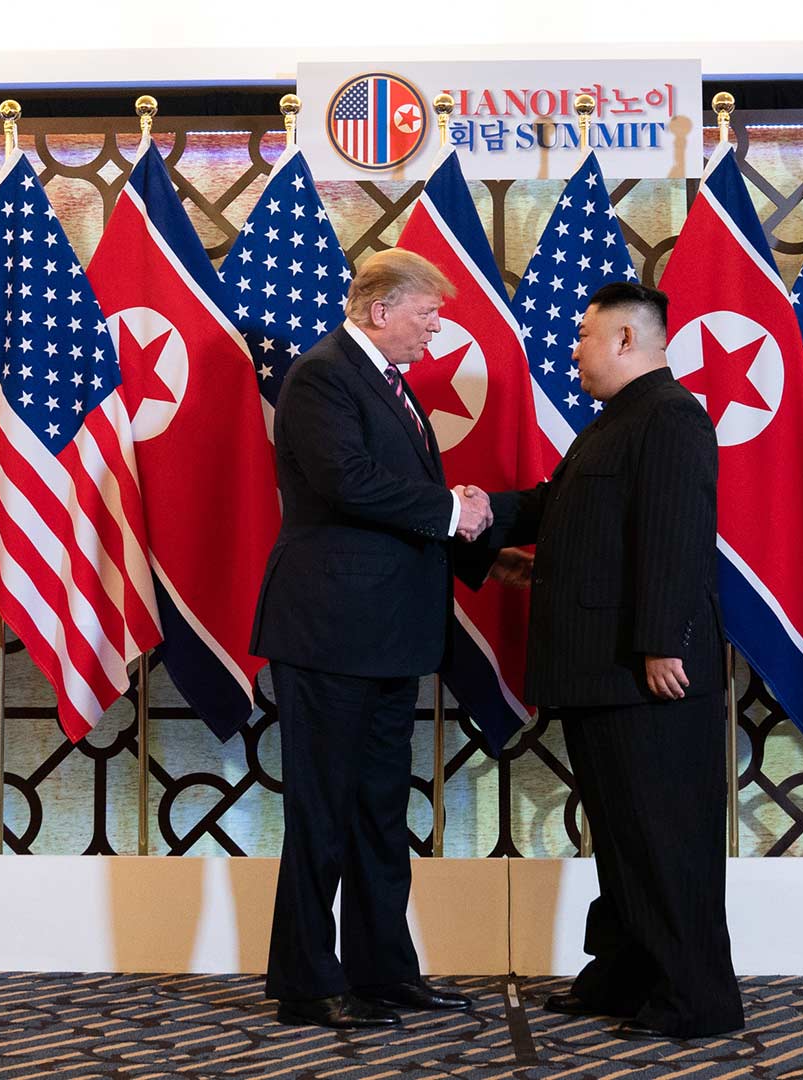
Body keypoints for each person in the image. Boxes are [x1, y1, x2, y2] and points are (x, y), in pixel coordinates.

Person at [478, 281, 743, 1038]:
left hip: (644, 672)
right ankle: (628, 977)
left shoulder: (669, 416)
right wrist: (478, 514)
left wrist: (664, 640)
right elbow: (561, 509)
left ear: (627, 340)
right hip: (602, 671)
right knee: (626, 837)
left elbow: (676, 535)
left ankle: (696, 1000)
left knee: (663, 838)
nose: (575, 348)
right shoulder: (618, 421)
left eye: (586, 335)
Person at [250, 248, 494, 1030]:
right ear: (381, 310)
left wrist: (478, 535)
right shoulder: (322, 375)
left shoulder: (391, 386)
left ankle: (384, 970)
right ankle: (307, 983)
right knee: (323, 812)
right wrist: (452, 512)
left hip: (387, 635)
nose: (436, 328)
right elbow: (348, 482)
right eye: (428, 313)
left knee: (380, 812)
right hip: (329, 632)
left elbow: (397, 495)